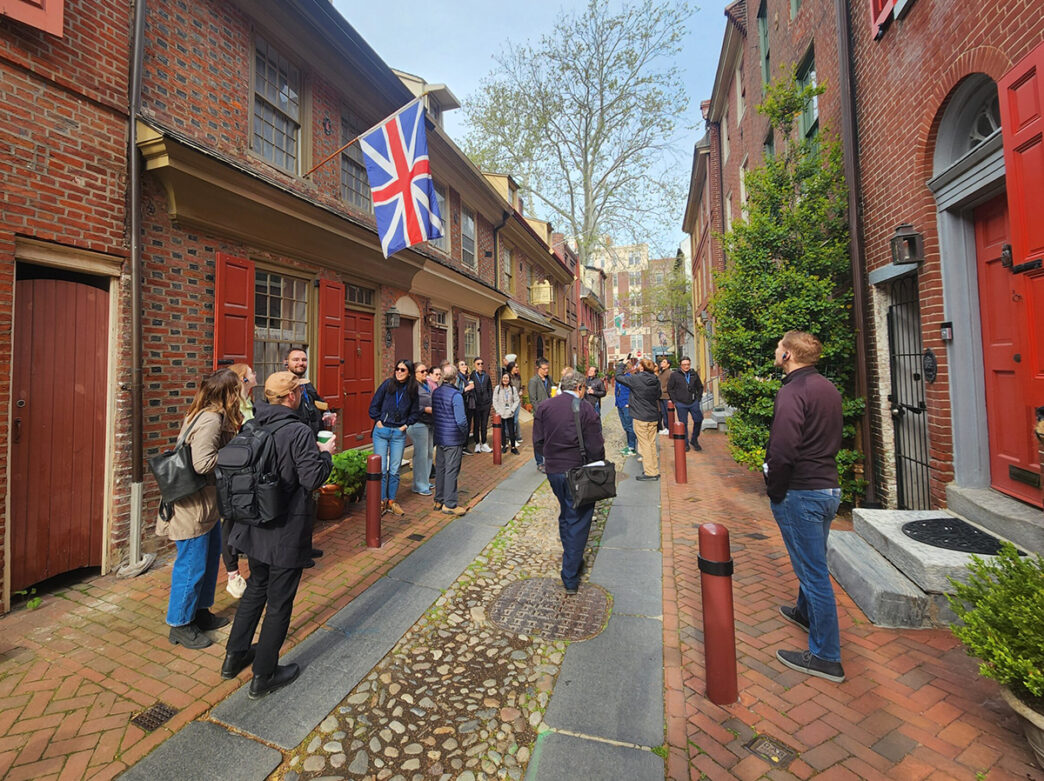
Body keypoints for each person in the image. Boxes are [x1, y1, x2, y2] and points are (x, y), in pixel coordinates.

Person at [222, 371, 336, 698]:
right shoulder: (298, 430)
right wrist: (326, 454)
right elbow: (312, 477)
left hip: (254, 525)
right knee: (279, 602)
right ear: (291, 397)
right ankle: (265, 674)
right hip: (285, 527)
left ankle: (234, 655)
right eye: (298, 391)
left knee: (257, 588)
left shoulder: (252, 424)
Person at [765, 331, 845, 683]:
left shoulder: (792, 391)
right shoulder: (827, 388)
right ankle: (803, 612)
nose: (776, 351)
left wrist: (775, 488)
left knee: (814, 572)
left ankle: (826, 655)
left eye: (780, 347)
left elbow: (783, 448)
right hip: (828, 486)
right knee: (813, 560)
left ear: (789, 356)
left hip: (802, 491)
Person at [158, 369, 243, 649]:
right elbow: (202, 463)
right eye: (238, 388)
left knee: (207, 560)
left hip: (206, 506)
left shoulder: (208, 415)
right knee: (191, 566)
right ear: (229, 393)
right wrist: (237, 453)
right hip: (192, 507)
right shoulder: (210, 420)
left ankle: (201, 613)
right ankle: (180, 624)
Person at [533, 367, 606, 595]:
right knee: (579, 519)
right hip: (577, 469)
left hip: (554, 470)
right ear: (579, 387)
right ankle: (571, 575)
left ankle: (572, 557)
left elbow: (538, 441)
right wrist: (598, 466)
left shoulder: (545, 406)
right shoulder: (585, 408)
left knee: (566, 513)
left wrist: (549, 458)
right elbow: (596, 445)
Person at [222, 364, 257, 599]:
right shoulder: (232, 407)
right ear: (243, 379)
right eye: (251, 373)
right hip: (233, 473)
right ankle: (232, 574)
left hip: (248, 470)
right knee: (230, 521)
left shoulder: (249, 401)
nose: (255, 375)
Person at [369, 359, 420, 515]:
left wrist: (405, 425)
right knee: (382, 469)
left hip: (398, 433)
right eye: (397, 369)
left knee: (395, 469)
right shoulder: (387, 384)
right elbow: (374, 405)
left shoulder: (412, 389)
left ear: (409, 373)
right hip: (382, 432)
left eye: (402, 370)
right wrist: (378, 421)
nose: (398, 372)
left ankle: (392, 501)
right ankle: (382, 500)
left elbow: (415, 411)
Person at [615, 358, 662, 480]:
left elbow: (618, 377)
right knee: (651, 443)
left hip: (641, 416)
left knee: (644, 444)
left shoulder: (636, 379)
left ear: (641, 367)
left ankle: (650, 473)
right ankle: (654, 470)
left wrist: (622, 364)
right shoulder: (655, 379)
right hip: (653, 415)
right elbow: (658, 395)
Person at [432, 362, 468, 516]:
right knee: (452, 470)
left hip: (440, 436)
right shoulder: (456, 395)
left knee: (441, 469)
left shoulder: (436, 392)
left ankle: (439, 500)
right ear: (455, 378)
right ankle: (450, 504)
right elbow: (461, 420)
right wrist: (465, 433)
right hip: (453, 438)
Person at [284, 347, 336, 437]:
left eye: (304, 360)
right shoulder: (281, 386)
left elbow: (319, 402)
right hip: (297, 439)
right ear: (286, 363)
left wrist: (327, 413)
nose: (301, 363)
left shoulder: (307, 384)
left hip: (315, 436)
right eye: (295, 360)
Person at [667, 356, 705, 452]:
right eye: (684, 365)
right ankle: (685, 443)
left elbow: (700, 387)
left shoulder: (693, 374)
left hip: (693, 402)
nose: (686, 367)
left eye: (688, 364)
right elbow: (670, 389)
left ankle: (694, 439)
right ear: (680, 365)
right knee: (683, 424)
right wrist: (675, 401)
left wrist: (698, 398)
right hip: (681, 403)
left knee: (698, 419)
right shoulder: (675, 375)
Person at [408, 362, 434, 496]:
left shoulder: (426, 385)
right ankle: (419, 485)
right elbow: (410, 405)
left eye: (426, 371)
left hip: (429, 422)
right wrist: (425, 409)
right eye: (422, 371)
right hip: (418, 423)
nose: (425, 373)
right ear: (414, 374)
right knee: (421, 455)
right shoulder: (412, 387)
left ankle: (425, 480)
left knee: (429, 453)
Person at [527, 358, 552, 471]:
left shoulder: (549, 379)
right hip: (540, 414)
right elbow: (533, 399)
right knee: (539, 439)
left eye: (547, 368)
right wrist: (540, 412)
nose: (546, 370)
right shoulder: (533, 381)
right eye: (544, 369)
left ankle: (549, 460)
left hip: (551, 413)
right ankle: (539, 462)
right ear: (538, 368)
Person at [613, 358, 638, 457]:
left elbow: (634, 392)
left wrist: (630, 403)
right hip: (620, 404)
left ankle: (632, 447)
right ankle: (629, 445)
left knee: (630, 426)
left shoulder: (629, 378)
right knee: (625, 426)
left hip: (627, 405)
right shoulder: (619, 378)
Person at [492, 369, 521, 454]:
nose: (505, 379)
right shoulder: (498, 388)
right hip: (501, 412)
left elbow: (517, 400)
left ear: (509, 379)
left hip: (510, 413)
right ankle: (504, 446)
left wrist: (512, 410)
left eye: (507, 378)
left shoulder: (513, 389)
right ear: (501, 379)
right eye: (504, 378)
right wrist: (498, 410)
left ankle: (513, 447)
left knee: (512, 431)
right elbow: (494, 400)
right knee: (502, 430)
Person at [470, 357, 494, 453]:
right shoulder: (472, 376)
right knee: (476, 424)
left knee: (484, 424)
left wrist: (489, 400)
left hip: (485, 404)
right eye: (478, 364)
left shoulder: (486, 376)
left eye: (481, 363)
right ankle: (477, 443)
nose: (480, 365)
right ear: (474, 365)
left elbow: (490, 389)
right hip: (476, 404)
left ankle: (484, 442)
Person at [455, 359, 476, 453]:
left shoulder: (468, 377)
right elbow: (456, 391)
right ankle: (462, 446)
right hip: (462, 403)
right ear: (458, 368)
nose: (464, 366)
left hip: (469, 404)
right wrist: (466, 388)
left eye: (465, 364)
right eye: (462, 364)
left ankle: (465, 445)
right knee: (463, 423)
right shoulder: (458, 377)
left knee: (468, 423)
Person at [508, 361, 524, 443]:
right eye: (516, 367)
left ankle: (514, 437)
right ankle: (511, 438)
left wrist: (521, 391)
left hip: (517, 401)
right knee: (511, 419)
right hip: (510, 402)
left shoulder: (518, 377)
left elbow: (521, 386)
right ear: (511, 368)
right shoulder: (507, 377)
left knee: (515, 419)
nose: (517, 368)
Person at [657, 357, 672, 435]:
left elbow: (670, 384)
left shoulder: (670, 373)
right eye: (662, 362)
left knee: (668, 413)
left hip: (666, 396)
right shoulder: (661, 373)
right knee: (663, 413)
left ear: (668, 365)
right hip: (661, 396)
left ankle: (670, 428)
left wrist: (663, 390)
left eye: (664, 362)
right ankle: (666, 427)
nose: (661, 363)